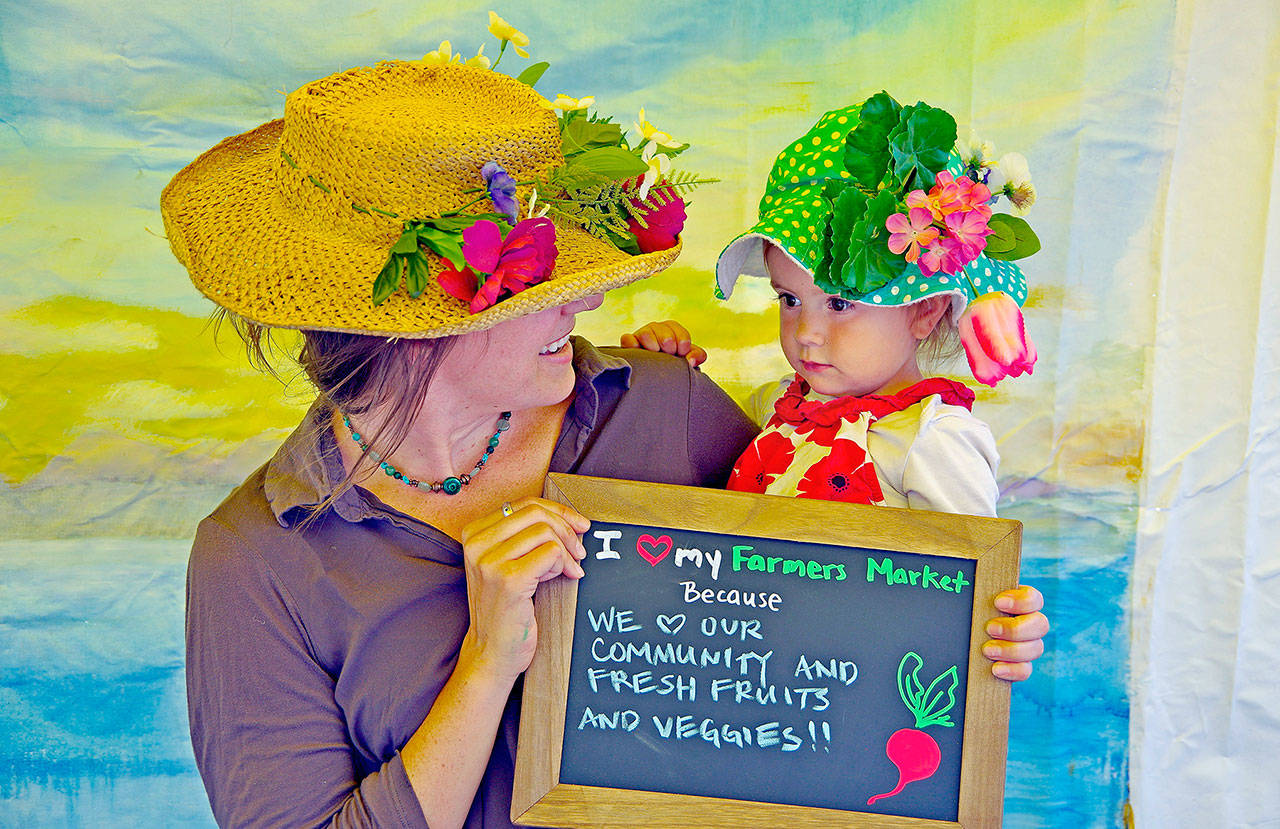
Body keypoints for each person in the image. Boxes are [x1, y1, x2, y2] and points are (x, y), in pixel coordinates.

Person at [165, 45, 1047, 829]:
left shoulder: (665, 407)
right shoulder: (255, 562)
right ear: (420, 323)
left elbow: (828, 601)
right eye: (548, 277)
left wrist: (965, 627)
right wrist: (485, 664)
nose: (587, 301)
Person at [625, 92, 1042, 519]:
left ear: (924, 311)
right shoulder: (773, 408)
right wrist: (666, 377)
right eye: (789, 299)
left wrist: (1002, 589)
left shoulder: (934, 442)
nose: (805, 331)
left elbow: (967, 574)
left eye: (840, 304)